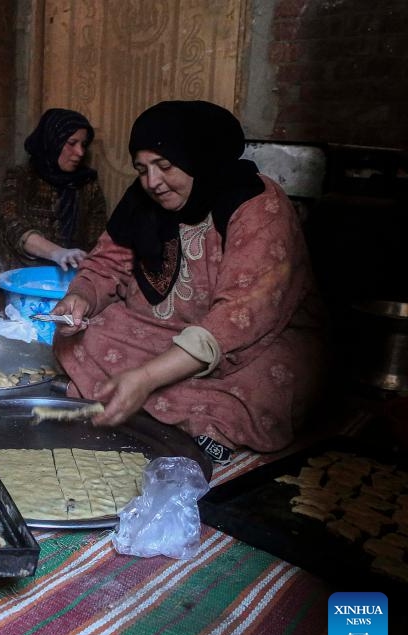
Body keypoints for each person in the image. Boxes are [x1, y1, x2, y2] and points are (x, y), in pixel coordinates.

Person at [51, 100, 326, 459]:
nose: (152, 182)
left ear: (198, 156)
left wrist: (147, 377)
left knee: (273, 381)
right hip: (166, 331)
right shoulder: (141, 199)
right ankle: (154, 405)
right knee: (89, 335)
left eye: (165, 166)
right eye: (142, 169)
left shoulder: (258, 205)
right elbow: (106, 265)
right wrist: (82, 297)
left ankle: (193, 419)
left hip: (247, 342)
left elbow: (241, 315)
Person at [0, 108, 107, 307]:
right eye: (71, 143)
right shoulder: (21, 177)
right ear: (52, 141)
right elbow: (13, 224)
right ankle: (4, 304)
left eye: (83, 145)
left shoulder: (88, 185)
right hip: (22, 267)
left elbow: (98, 237)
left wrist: (78, 260)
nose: (80, 152)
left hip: (69, 273)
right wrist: (57, 252)